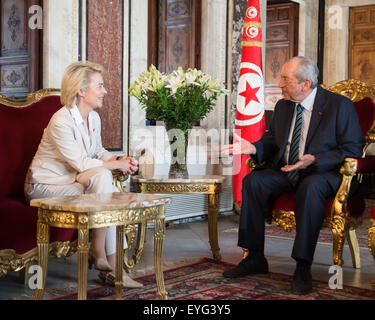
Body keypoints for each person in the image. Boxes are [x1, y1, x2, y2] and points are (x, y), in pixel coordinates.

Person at [221, 56, 365, 294]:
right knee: (253, 181)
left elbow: (352, 148)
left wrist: (316, 159)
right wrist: (254, 148)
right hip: (287, 170)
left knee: (311, 188)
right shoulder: (283, 106)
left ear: (305, 84)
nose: (279, 84)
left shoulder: (339, 106)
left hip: (321, 173)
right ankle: (254, 256)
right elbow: (272, 141)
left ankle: (302, 266)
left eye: (285, 79)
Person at [24, 61, 142, 288]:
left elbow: (97, 152)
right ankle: (103, 258)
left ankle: (111, 266)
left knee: (105, 186)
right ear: (81, 90)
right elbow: (81, 162)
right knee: (104, 183)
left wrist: (120, 160)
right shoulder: (61, 120)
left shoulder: (94, 118)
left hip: (75, 180)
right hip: (45, 185)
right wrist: (115, 166)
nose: (105, 91)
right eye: (100, 86)